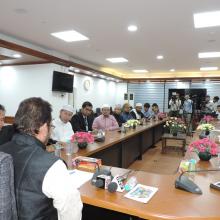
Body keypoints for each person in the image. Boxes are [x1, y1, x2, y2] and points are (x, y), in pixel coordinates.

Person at [0, 97, 82, 220]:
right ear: (43, 127)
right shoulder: (52, 165)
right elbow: (71, 212)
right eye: (50, 126)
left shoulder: (2, 150)